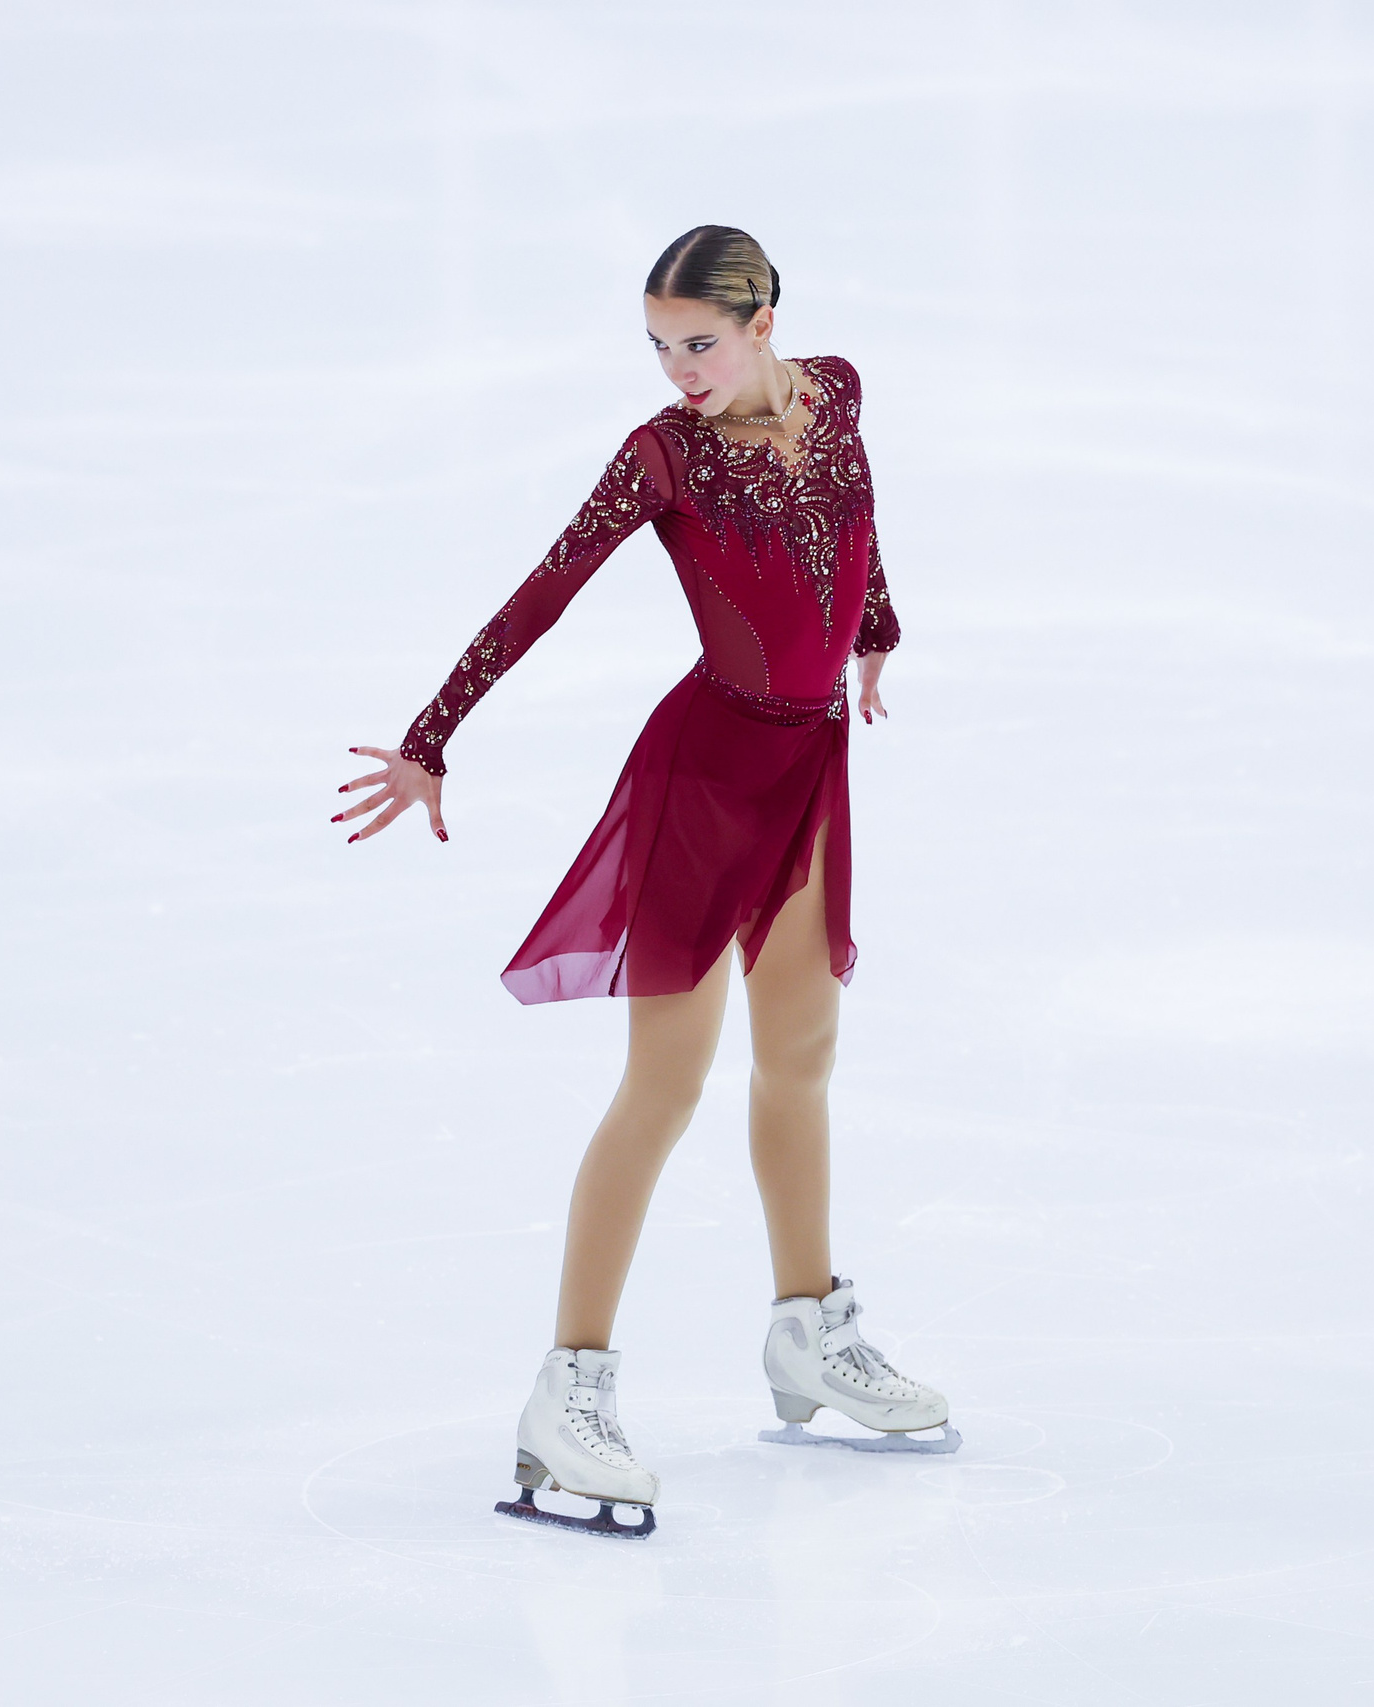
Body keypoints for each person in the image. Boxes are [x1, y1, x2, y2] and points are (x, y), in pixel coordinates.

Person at [336, 226, 951, 1539]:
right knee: (663, 1084)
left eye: (702, 343)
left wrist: (878, 625)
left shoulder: (836, 392)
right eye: (662, 346)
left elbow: (858, 505)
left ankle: (807, 1329)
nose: (680, 371)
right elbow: (545, 588)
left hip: (810, 769)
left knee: (802, 1052)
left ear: (766, 319)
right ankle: (571, 1389)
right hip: (707, 775)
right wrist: (433, 738)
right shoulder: (663, 455)